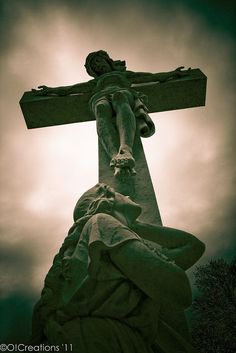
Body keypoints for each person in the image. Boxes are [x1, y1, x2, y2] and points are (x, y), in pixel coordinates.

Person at [31, 183, 205, 353]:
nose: (127, 195)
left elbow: (194, 246)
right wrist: (118, 221)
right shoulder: (102, 224)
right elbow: (176, 290)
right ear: (107, 200)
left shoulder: (101, 243)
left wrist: (132, 225)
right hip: (106, 340)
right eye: (116, 192)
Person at [32, 50, 191, 177]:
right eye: (94, 64)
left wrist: (173, 74)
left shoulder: (123, 75)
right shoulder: (94, 83)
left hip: (122, 93)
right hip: (99, 98)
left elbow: (150, 76)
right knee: (101, 109)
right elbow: (68, 90)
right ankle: (115, 156)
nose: (98, 65)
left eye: (98, 60)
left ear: (107, 60)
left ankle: (126, 148)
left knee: (119, 97)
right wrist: (48, 91)